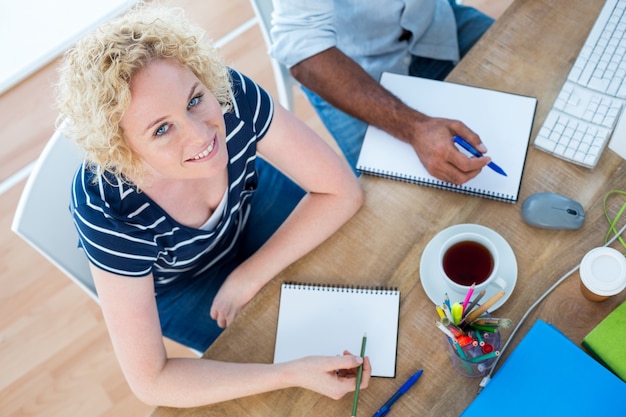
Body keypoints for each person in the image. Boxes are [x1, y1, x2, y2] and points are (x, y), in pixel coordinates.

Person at [55, 3, 370, 408]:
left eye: (193, 100)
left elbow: (342, 191)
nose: (202, 134)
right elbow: (152, 380)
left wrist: (250, 274)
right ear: (124, 151)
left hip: (249, 206)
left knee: (354, 282)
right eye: (162, 129)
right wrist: (289, 372)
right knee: (275, 370)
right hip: (183, 282)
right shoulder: (106, 208)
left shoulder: (228, 95)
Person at [271, 0, 495, 184]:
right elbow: (302, 45)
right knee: (396, 205)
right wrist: (415, 128)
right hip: (347, 70)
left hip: (433, 20)